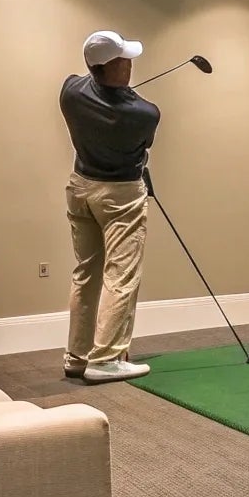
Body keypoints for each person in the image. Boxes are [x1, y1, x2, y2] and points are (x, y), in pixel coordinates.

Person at [60, 30, 161, 383]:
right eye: (123, 61)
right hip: (120, 195)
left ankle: (77, 357)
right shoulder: (144, 113)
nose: (130, 65)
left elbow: (87, 85)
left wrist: (114, 91)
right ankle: (105, 359)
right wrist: (125, 95)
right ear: (108, 67)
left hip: (80, 188)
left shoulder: (70, 91)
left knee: (86, 273)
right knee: (121, 274)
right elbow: (143, 141)